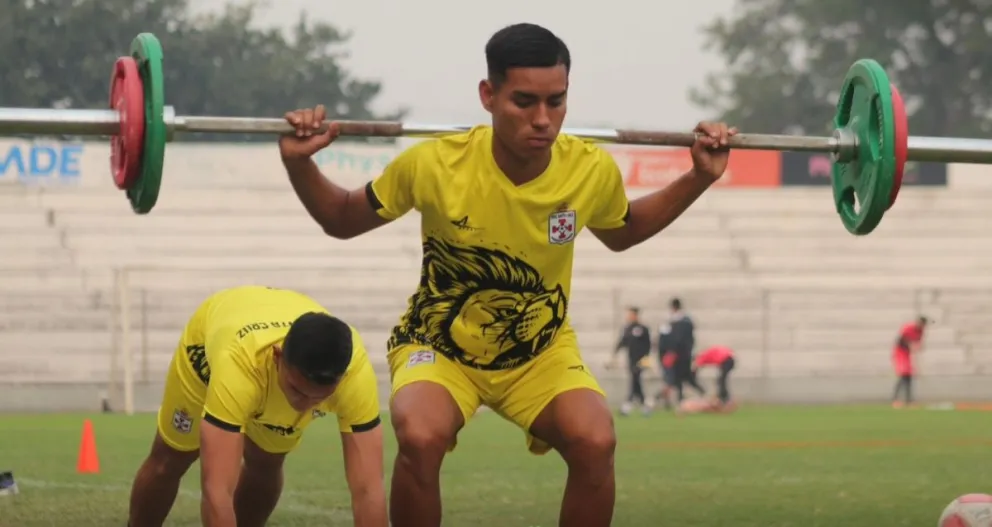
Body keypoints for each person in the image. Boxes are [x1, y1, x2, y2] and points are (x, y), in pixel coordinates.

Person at [278, 22, 737, 527]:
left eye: (556, 101)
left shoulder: (590, 169)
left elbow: (622, 232)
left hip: (540, 350)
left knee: (596, 440)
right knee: (419, 434)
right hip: (440, 346)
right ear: (488, 95)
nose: (543, 119)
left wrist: (698, 177)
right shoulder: (434, 164)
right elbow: (342, 219)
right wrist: (301, 165)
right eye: (524, 102)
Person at [126, 286, 387, 527]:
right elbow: (217, 491)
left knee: (265, 462)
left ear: (342, 378)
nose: (302, 405)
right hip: (209, 349)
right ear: (278, 357)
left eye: (318, 398)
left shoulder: (356, 375)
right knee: (171, 457)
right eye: (297, 390)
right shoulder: (239, 365)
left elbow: (368, 490)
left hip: (269, 345)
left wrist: (298, 391)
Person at [659, 297, 706, 402]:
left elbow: (677, 340)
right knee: (679, 378)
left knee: (681, 377)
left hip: (680, 354)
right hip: (683, 354)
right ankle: (680, 398)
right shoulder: (683, 321)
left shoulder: (680, 322)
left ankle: (684, 397)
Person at [609, 306, 653, 416]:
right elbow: (623, 341)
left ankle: (627, 406)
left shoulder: (643, 328)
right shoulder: (627, 329)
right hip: (631, 359)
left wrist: (646, 360)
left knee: (635, 381)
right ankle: (645, 406)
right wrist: (615, 352)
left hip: (641, 360)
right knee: (636, 382)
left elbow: (648, 346)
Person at [892, 316, 929, 408]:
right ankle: (895, 399)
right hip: (900, 352)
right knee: (903, 375)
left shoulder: (921, 331)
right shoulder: (908, 328)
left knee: (909, 376)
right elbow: (900, 340)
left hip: (908, 353)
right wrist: (910, 345)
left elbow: (919, 342)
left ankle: (909, 400)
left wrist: (918, 347)